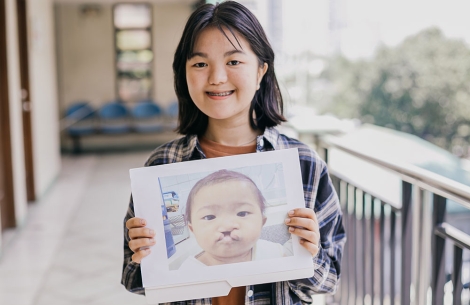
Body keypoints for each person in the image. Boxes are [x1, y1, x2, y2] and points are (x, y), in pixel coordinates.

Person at [122, 1, 346, 304]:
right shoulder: (162, 164)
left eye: (234, 62)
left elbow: (329, 280)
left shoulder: (304, 165)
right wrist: (143, 257)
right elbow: (134, 281)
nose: (216, 77)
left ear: (260, 71)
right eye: (200, 64)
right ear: (184, 74)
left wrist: (310, 252)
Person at [181, 169, 287, 268]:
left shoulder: (276, 253)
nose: (227, 226)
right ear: (193, 229)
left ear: (262, 223)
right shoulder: (188, 272)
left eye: (242, 213)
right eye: (209, 217)